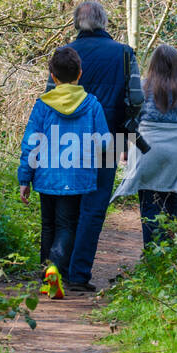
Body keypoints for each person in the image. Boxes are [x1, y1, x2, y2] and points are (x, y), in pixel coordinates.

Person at [46, 1, 142, 291]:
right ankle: (79, 275)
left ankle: (56, 270)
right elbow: (136, 99)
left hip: (66, 140)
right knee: (94, 206)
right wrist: (129, 135)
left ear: (76, 23)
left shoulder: (63, 55)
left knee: (68, 204)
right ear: (104, 22)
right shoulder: (125, 55)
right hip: (110, 139)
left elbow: (51, 97)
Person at [18, 45, 110, 299]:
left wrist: (25, 177)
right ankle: (55, 270)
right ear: (80, 73)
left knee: (48, 225)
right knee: (68, 225)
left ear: (53, 76)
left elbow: (31, 143)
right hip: (77, 176)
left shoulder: (43, 105)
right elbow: (104, 143)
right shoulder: (92, 105)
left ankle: (48, 274)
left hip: (46, 177)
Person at [111, 43, 177, 246]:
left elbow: (129, 120)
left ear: (153, 64)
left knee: (148, 201)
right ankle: (169, 253)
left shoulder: (143, 88)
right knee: (172, 199)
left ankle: (151, 254)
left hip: (146, 149)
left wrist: (126, 151)